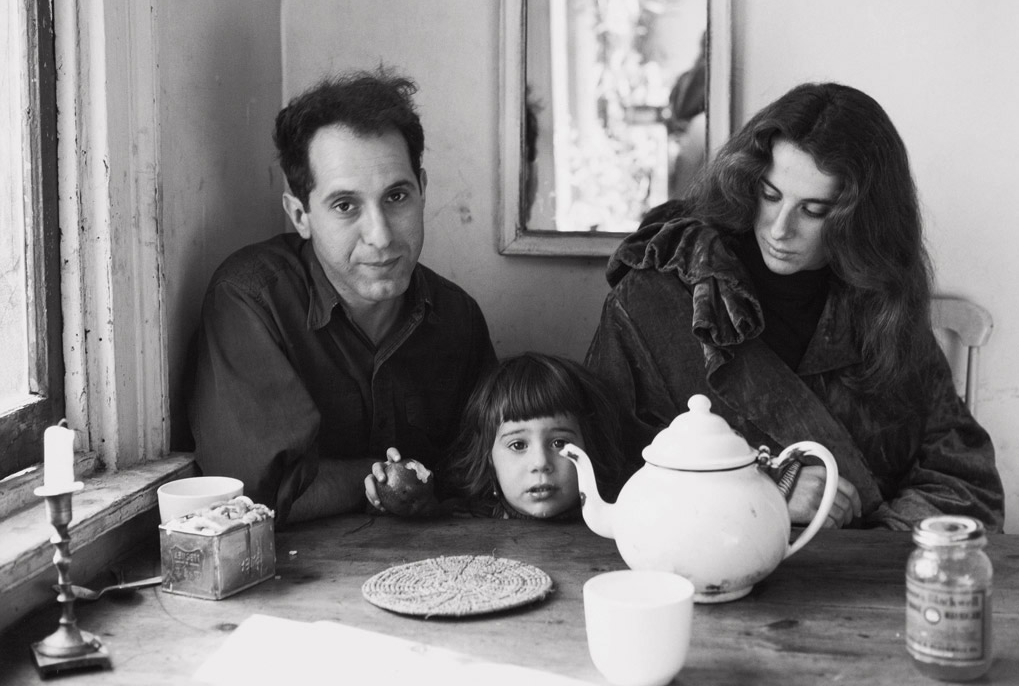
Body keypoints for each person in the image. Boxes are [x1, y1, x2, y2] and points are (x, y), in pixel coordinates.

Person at [586, 82, 1004, 532]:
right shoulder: (659, 292)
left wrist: (875, 548)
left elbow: (965, 479)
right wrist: (767, 489)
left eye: (814, 209)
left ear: (860, 222)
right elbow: (606, 478)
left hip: (862, 578)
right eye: (770, 195)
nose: (781, 229)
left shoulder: (879, 305)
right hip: (703, 572)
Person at [188, 68, 496, 526]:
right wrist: (390, 481)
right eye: (345, 206)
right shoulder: (252, 301)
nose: (381, 235)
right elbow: (258, 494)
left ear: (423, 191)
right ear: (300, 215)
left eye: (396, 196)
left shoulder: (458, 319)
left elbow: (483, 475)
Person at [381, 352, 627, 520]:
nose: (540, 463)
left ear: (589, 447)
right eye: (518, 444)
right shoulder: (460, 520)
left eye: (559, 443)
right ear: (488, 458)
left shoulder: (618, 514)